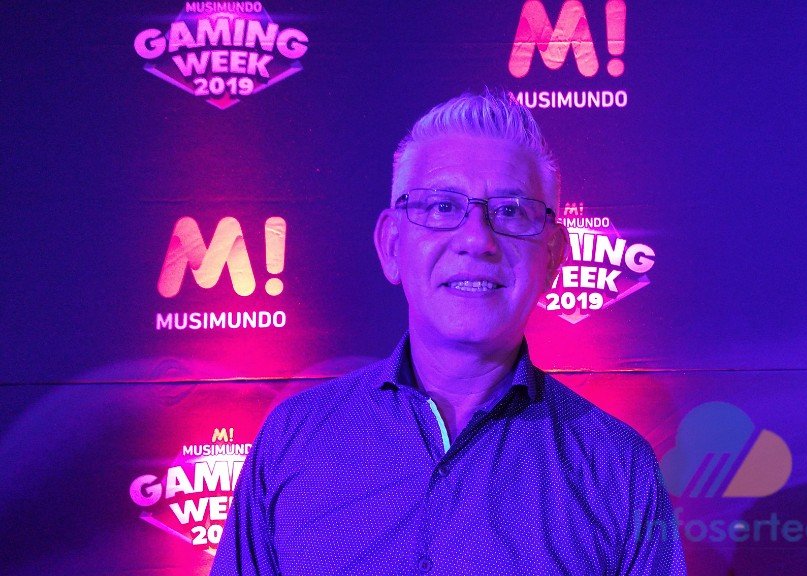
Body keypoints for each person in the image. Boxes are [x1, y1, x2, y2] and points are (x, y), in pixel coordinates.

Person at [211, 90, 687, 575]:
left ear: (552, 258)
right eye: (441, 207)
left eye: (511, 211)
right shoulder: (294, 438)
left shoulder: (618, 471)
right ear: (391, 245)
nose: (477, 239)